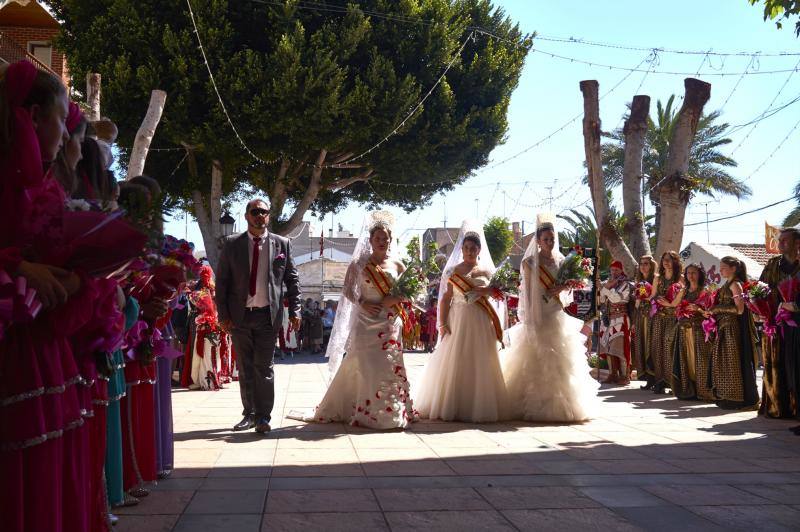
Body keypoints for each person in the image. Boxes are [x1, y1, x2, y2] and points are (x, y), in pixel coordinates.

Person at [288, 211, 415, 429]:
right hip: (366, 320)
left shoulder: (398, 264)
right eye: (378, 238)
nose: (382, 242)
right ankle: (366, 410)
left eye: (386, 238)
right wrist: (363, 302)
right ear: (371, 240)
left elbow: (411, 291)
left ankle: (391, 410)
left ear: (390, 240)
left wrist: (394, 298)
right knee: (365, 364)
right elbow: (347, 290)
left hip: (390, 322)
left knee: (389, 364)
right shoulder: (359, 263)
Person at [500, 213, 598, 422]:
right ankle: (533, 404)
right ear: (538, 240)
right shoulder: (528, 262)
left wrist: (561, 287)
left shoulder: (562, 260)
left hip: (555, 311)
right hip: (537, 313)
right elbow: (525, 293)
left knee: (560, 360)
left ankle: (563, 404)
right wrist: (529, 318)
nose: (550, 242)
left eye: (552, 239)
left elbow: (568, 289)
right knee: (536, 358)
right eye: (546, 239)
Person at [215, 198, 301, 434]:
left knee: (264, 367)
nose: (259, 216)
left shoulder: (281, 244)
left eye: (263, 212)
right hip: (240, 316)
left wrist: (296, 310)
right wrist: (223, 314)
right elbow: (221, 282)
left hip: (267, 316)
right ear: (246, 216)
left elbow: (291, 280)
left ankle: (263, 417)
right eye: (255, 212)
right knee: (245, 367)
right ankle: (249, 414)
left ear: (268, 216)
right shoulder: (232, 244)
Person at [414, 222, 509, 422]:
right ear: (462, 249)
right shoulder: (453, 271)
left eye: (473, 248)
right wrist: (442, 323)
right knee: (458, 357)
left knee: (481, 359)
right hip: (458, 319)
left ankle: (479, 405)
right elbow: (445, 299)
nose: (469, 251)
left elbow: (498, 293)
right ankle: (455, 404)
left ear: (479, 250)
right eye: (466, 248)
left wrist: (486, 290)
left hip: (482, 319)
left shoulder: (486, 271)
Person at [707, 256, 759, 409]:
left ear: (733, 268)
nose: (720, 270)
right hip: (724, 326)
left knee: (732, 362)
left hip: (731, 328)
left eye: (723, 267)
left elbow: (740, 309)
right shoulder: (727, 284)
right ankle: (727, 395)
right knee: (725, 362)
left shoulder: (735, 285)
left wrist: (717, 309)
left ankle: (736, 398)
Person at [759, 228, 800, 421]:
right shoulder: (772, 265)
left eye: (785, 240)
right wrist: (761, 309)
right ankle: (779, 407)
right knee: (777, 365)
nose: (781, 243)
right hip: (775, 323)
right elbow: (759, 290)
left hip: (796, 323)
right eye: (779, 240)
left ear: (796, 243)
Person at [672, 263, 714, 401]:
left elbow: (710, 313)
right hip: (684, 330)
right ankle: (689, 390)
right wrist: (682, 310)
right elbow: (675, 308)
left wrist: (698, 310)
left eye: (694, 272)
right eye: (688, 273)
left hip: (700, 332)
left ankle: (703, 391)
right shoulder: (683, 291)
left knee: (701, 360)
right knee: (686, 361)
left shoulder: (706, 291)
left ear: (700, 274)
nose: (691, 275)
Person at [649, 251, 684, 394]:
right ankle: (660, 381)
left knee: (670, 348)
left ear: (675, 262)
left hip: (673, 317)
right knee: (657, 348)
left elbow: (683, 298)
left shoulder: (680, 278)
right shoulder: (658, 278)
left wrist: (670, 303)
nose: (666, 262)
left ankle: (672, 381)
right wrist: (656, 301)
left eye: (669, 260)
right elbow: (652, 295)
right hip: (658, 316)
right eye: (664, 260)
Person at [598, 260, 633, 385]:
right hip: (608, 319)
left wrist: (606, 288)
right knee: (608, 348)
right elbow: (601, 300)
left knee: (620, 348)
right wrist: (606, 288)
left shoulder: (626, 284)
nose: (614, 272)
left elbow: (616, 298)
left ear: (621, 271)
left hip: (620, 319)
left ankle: (624, 375)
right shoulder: (608, 283)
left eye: (616, 270)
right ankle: (612, 374)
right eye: (612, 270)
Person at [633, 255, 657, 388]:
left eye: (646, 263)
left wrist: (645, 297)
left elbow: (652, 297)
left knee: (650, 345)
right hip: (640, 315)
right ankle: (648, 378)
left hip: (651, 315)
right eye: (641, 263)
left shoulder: (655, 280)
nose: (643, 266)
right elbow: (639, 299)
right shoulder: (640, 281)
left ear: (651, 265)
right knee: (641, 344)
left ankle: (654, 377)